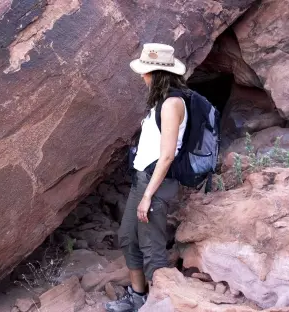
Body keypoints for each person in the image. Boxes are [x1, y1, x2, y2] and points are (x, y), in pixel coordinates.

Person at [105, 43, 190, 312]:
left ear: (156, 74)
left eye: (145, 72)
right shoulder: (161, 102)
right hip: (143, 179)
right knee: (129, 237)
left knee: (152, 248)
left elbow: (166, 156)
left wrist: (147, 196)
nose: (142, 77)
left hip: (156, 183)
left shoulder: (172, 104)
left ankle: (162, 305)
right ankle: (138, 296)